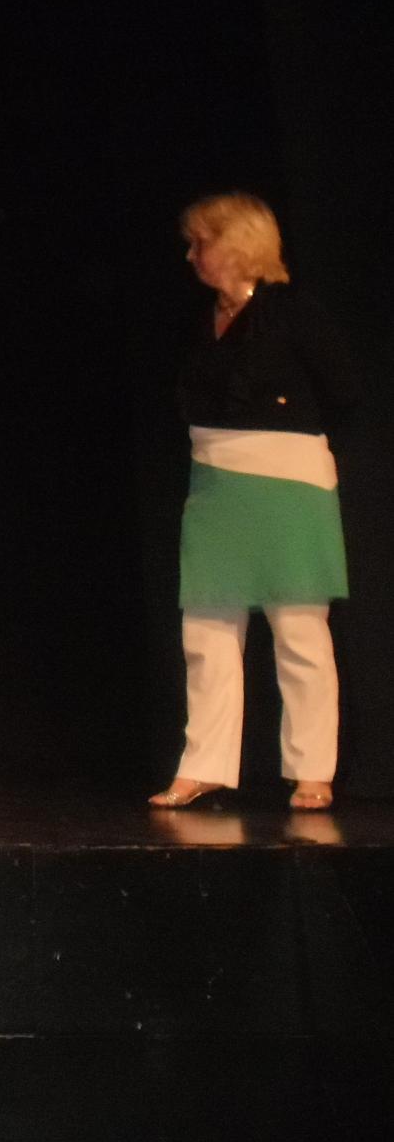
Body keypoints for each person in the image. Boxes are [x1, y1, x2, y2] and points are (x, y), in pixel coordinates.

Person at [150, 194, 359, 812]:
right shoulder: (199, 319)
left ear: (238, 244)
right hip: (216, 484)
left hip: (289, 482)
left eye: (202, 243)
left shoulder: (293, 311)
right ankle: (204, 765)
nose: (192, 256)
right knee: (207, 629)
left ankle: (313, 770)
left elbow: (345, 391)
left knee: (299, 630)